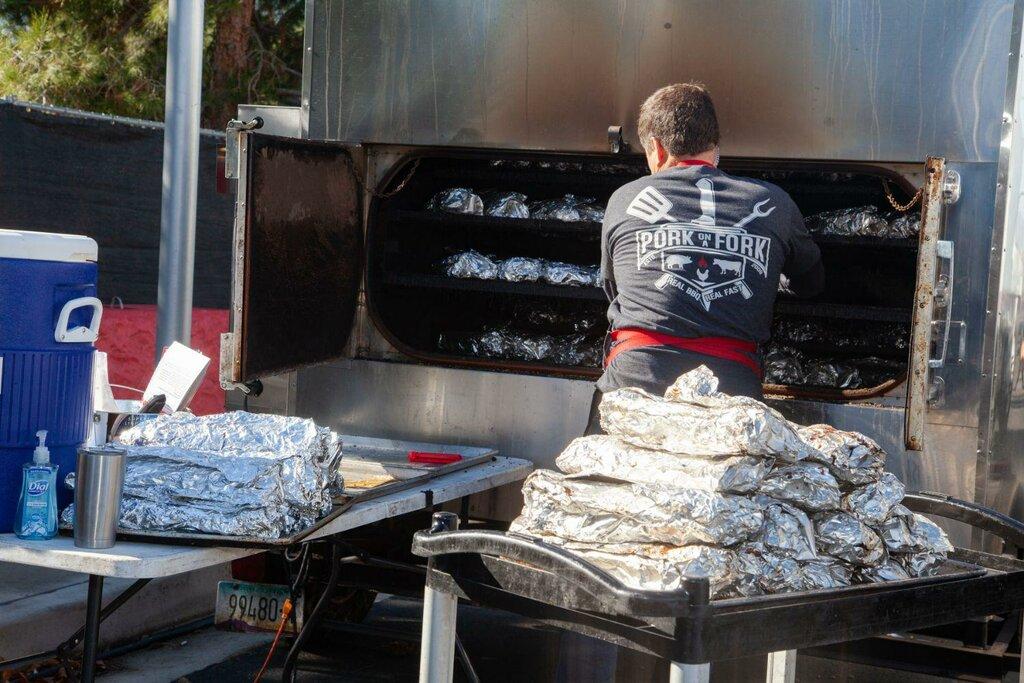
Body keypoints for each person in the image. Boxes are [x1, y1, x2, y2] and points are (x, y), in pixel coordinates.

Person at [586, 82, 824, 433]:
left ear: (656, 147)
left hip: (634, 389)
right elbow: (813, 283)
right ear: (715, 146)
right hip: (732, 397)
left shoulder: (626, 198)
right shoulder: (774, 202)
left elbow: (615, 288)